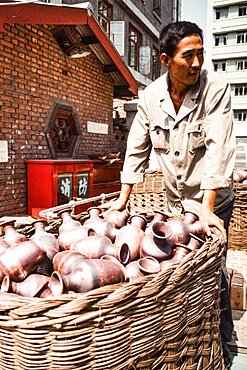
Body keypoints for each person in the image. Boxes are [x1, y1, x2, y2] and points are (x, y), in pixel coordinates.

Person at [105, 21, 236, 368]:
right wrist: (122, 198)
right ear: (165, 59)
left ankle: (225, 340)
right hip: (177, 203)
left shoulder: (215, 89)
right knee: (180, 270)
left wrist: (207, 210)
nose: (196, 64)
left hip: (213, 201)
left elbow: (219, 148)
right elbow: (136, 148)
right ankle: (184, 339)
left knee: (211, 271)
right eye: (187, 56)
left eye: (201, 55)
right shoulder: (150, 98)